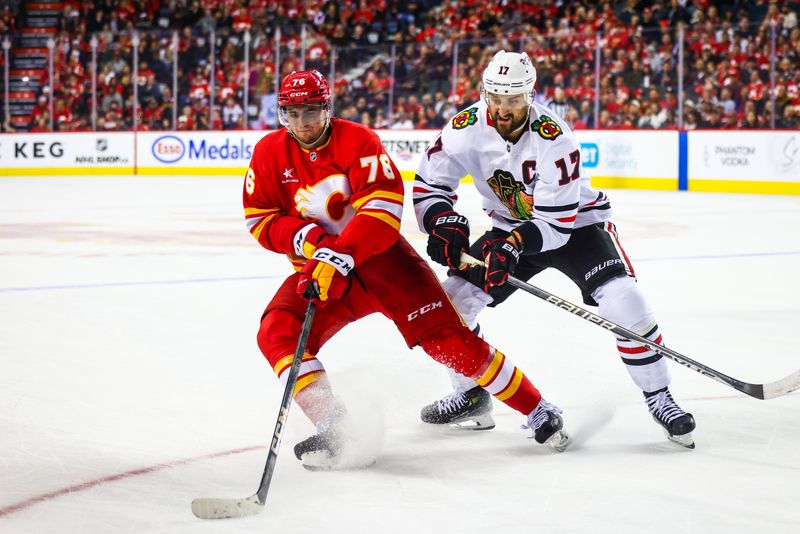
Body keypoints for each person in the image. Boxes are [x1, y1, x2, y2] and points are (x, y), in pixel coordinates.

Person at [243, 69, 570, 470]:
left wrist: (339, 253)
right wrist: (312, 243)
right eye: (292, 114)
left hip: (384, 263)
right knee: (278, 329)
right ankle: (336, 426)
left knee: (448, 342)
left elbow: (383, 208)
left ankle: (536, 408)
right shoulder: (268, 153)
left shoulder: (358, 140)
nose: (302, 123)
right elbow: (259, 218)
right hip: (323, 271)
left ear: (326, 108)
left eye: (310, 111)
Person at [413, 51, 696, 448]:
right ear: (484, 93)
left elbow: (555, 226)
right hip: (509, 227)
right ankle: (471, 394)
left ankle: (659, 396)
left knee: (625, 302)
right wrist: (441, 220)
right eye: (495, 98)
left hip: (575, 226)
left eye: (513, 100)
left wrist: (513, 246)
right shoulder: (464, 127)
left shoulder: (554, 138)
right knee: (450, 306)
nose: (502, 108)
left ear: (529, 96)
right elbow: (429, 185)